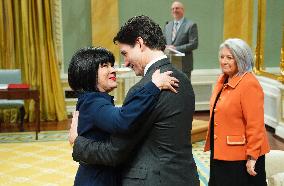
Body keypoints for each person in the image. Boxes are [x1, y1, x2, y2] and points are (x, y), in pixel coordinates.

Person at [69, 15, 200, 186]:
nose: (125, 63)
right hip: (184, 177)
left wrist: (77, 142)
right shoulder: (183, 80)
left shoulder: (144, 88)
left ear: (139, 43)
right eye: (105, 66)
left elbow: (115, 152)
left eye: (125, 53)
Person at [68, 46, 179, 186]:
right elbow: (122, 121)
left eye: (111, 65)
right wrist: (153, 86)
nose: (113, 70)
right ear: (87, 72)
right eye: (104, 66)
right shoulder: (93, 102)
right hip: (97, 180)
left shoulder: (92, 100)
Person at [204, 38, 270, 186]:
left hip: (240, 157)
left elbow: (256, 124)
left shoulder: (249, 83)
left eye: (229, 57)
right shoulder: (223, 79)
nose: (224, 61)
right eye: (222, 57)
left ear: (241, 59)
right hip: (220, 151)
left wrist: (253, 157)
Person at [164, 1, 198, 79]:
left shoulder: (191, 25)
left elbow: (194, 44)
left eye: (177, 8)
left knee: (184, 89)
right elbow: (164, 42)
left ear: (183, 10)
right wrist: (165, 46)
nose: (174, 10)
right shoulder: (167, 25)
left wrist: (176, 49)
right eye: (172, 9)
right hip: (169, 65)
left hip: (184, 65)